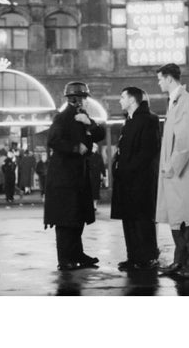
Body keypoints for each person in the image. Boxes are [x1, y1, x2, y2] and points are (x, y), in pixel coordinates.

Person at [44, 81, 105, 271]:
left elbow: (100, 134)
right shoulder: (62, 118)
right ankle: (65, 259)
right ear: (77, 99)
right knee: (65, 220)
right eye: (85, 98)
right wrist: (75, 148)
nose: (87, 102)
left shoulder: (82, 117)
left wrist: (90, 123)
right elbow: (53, 140)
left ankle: (77, 254)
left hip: (77, 178)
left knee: (77, 219)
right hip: (64, 179)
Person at [156, 63, 189, 279]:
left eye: (160, 79)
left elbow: (185, 142)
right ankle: (180, 261)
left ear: (169, 79)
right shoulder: (175, 102)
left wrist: (171, 166)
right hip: (176, 175)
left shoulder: (185, 102)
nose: (159, 83)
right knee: (178, 218)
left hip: (183, 174)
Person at [111, 87, 161, 270]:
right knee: (129, 220)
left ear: (133, 100)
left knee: (142, 221)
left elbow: (148, 151)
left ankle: (147, 257)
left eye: (122, 96)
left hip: (141, 181)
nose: (120, 100)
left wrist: (127, 169)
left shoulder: (149, 119)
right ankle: (133, 257)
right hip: (126, 181)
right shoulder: (129, 120)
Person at [88, 143, 106, 210]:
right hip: (89, 176)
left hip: (96, 176)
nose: (94, 148)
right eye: (93, 147)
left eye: (95, 147)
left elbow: (102, 165)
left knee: (96, 191)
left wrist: (104, 175)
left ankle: (94, 205)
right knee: (90, 191)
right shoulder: (88, 156)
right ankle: (90, 205)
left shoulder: (98, 156)